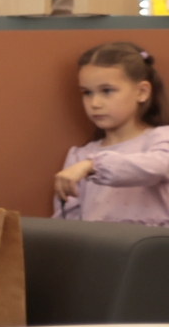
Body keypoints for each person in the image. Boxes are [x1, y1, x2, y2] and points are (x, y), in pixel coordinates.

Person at [54, 42, 166, 225]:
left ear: (142, 92)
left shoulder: (161, 139)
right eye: (87, 93)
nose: (95, 103)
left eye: (107, 91)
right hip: (96, 242)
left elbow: (156, 167)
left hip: (152, 242)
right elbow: (69, 221)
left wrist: (92, 166)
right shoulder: (80, 156)